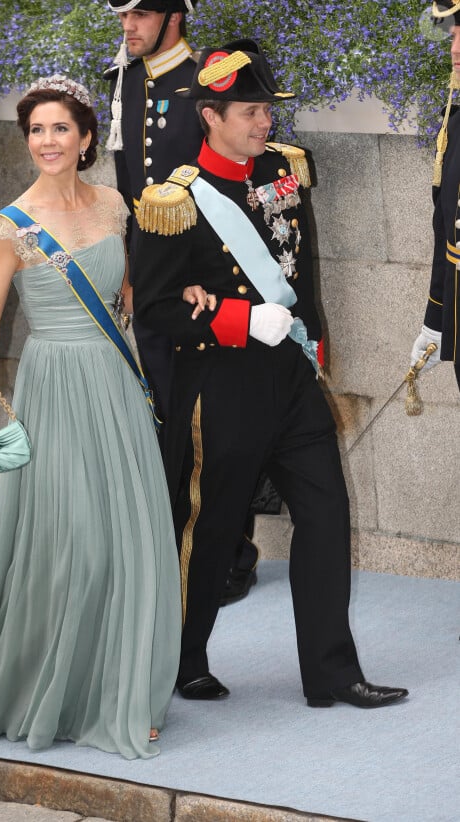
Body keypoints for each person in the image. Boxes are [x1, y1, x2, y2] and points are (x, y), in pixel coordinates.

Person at [0, 76, 183, 760]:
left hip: (111, 382)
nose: (46, 142)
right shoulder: (10, 225)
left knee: (129, 534)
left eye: (59, 130)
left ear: (84, 139)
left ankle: (121, 688)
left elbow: (129, 295)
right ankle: (54, 686)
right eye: (36, 131)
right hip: (52, 388)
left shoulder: (113, 208)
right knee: (72, 539)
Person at [133, 39, 409, 707]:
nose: (266, 124)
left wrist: (311, 346)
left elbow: (298, 270)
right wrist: (234, 319)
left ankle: (333, 674)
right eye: (251, 112)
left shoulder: (282, 171)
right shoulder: (174, 202)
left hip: (289, 381)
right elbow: (159, 309)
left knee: (326, 514)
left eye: (266, 111)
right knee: (209, 530)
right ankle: (180, 658)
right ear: (212, 116)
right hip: (220, 388)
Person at [106, 0, 271, 606]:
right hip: (156, 281)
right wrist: (132, 269)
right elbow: (132, 189)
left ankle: (235, 550)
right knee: (168, 412)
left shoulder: (202, 81)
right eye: (124, 18)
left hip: (208, 280)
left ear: (173, 17)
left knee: (221, 420)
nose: (129, 28)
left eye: (140, 17)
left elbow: (236, 181)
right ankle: (180, 540)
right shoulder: (126, 77)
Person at [411, 0, 460, 390]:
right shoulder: (457, 128)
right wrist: (435, 318)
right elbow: (445, 234)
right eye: (454, 35)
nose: (454, 49)